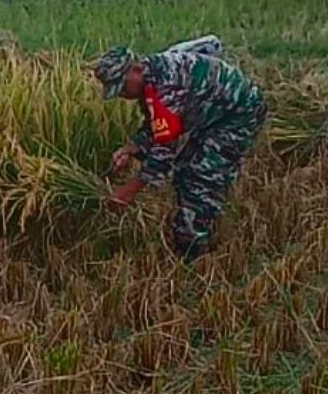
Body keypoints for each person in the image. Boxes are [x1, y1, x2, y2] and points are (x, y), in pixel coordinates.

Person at [94, 45, 267, 261]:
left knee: (200, 178)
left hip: (239, 114)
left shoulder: (167, 87)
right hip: (215, 116)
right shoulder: (151, 79)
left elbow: (163, 152)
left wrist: (129, 190)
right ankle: (202, 228)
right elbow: (157, 124)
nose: (122, 94)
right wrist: (133, 147)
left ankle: (194, 253)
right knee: (184, 171)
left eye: (122, 87)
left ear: (137, 69)